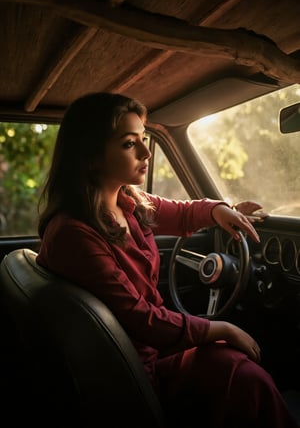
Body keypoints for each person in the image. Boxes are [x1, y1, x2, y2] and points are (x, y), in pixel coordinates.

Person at [36, 92, 298, 428]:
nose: (146, 152)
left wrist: (220, 210)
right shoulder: (73, 234)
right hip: (134, 371)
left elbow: (184, 212)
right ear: (90, 157)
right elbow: (141, 319)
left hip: (148, 350)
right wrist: (223, 328)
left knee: (238, 370)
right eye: (130, 144)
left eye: (144, 139)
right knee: (243, 373)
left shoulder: (128, 201)